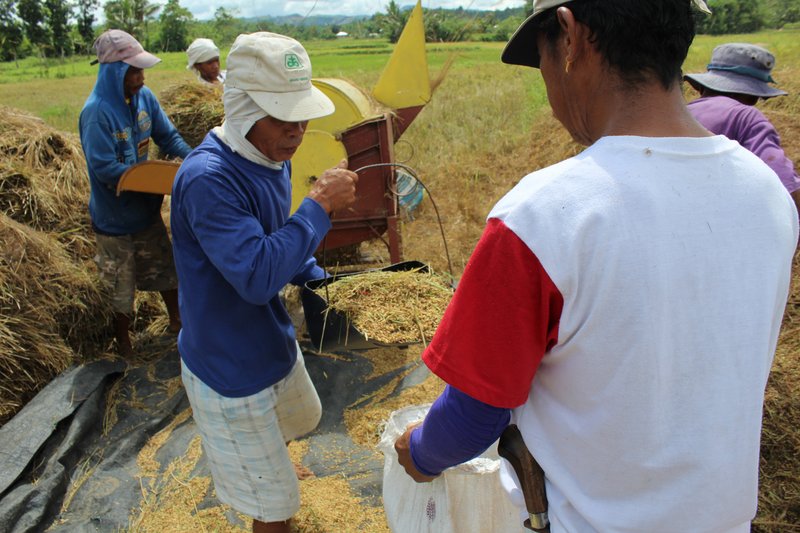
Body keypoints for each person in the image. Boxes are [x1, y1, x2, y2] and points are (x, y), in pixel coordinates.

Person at [393, 1, 798, 532]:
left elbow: (475, 415)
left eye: (541, 63)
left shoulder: (541, 216)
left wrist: (419, 453)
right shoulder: (768, 194)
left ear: (569, 35)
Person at [170, 32, 358, 533]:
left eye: (302, 115)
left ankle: (273, 476)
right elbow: (255, 277)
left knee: (299, 419)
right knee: (274, 512)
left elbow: (276, 239)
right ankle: (271, 503)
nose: (298, 130)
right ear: (244, 109)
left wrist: (321, 281)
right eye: (283, 116)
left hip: (269, 341)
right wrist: (317, 206)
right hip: (229, 364)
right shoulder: (209, 178)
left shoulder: (271, 154)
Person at [79, 29, 192, 356]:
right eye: (134, 71)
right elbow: (103, 169)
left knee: (165, 269)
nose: (141, 77)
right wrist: (149, 179)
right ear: (114, 72)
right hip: (113, 220)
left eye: (142, 70)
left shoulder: (145, 98)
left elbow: (168, 138)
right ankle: (125, 345)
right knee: (120, 286)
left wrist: (195, 162)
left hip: (145, 211)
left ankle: (178, 321)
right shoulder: (96, 112)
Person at [685, 42, 800, 210]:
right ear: (754, 96)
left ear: (702, 86)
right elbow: (782, 177)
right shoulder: (746, 117)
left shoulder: (682, 113)